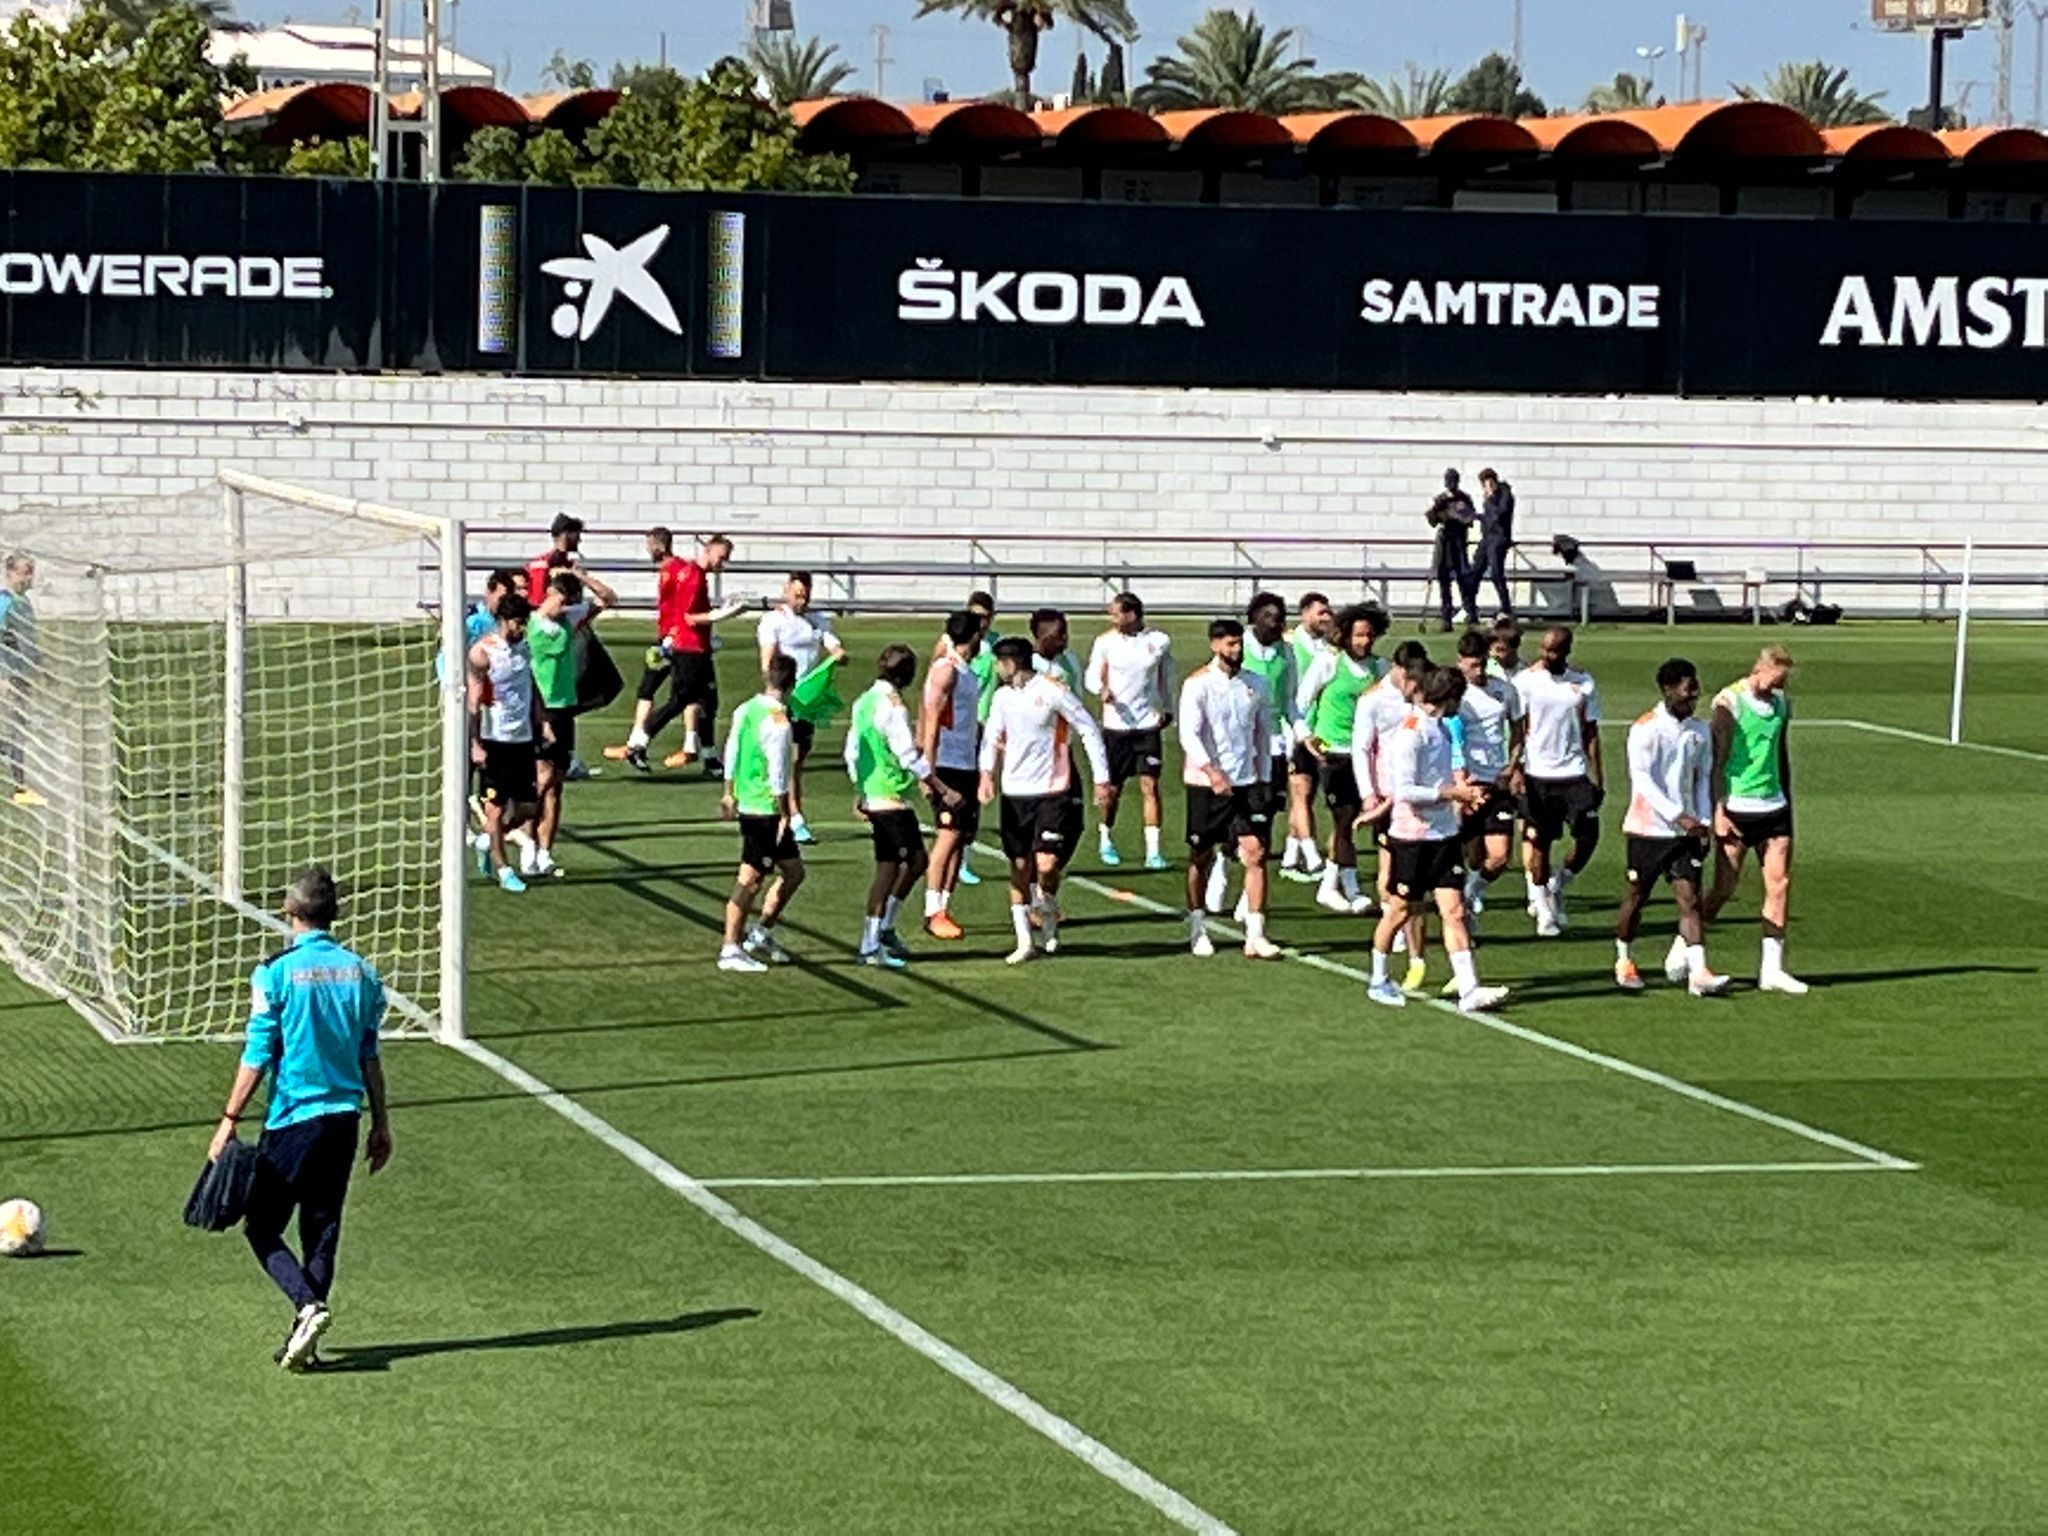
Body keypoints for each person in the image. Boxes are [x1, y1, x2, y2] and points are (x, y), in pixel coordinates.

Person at [206, 867, 390, 1372]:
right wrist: (381, 1123)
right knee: (322, 1229)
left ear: (289, 912)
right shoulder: (363, 973)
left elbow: (258, 1052)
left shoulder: (276, 972)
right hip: (344, 1120)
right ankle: (303, 1341)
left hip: (294, 1118)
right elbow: (369, 1055)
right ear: (334, 914)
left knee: (261, 1227)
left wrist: (228, 1119)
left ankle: (307, 1307)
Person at [1365, 667, 1508, 1014]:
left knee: (1454, 911)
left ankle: (1469, 989)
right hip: (1412, 838)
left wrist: (1463, 793)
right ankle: (1378, 979)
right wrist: (1452, 794)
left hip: (1443, 835)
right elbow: (1406, 790)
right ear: (1450, 697)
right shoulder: (1411, 734)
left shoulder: (1441, 728)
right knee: (1399, 910)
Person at [980, 636, 1112, 966]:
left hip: (1053, 789)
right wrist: (986, 775)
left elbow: (1088, 729)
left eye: (999, 662)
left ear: (1012, 663)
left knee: (1047, 864)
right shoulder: (1001, 698)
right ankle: (1025, 939)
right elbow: (992, 738)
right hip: (1015, 793)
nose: (997, 669)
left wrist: (1101, 778)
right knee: (1020, 865)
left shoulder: (1052, 691)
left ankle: (1047, 899)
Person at [1616, 659, 1731, 997]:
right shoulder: (1645, 729)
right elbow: (1643, 781)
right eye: (1686, 691)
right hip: (1647, 830)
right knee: (1638, 898)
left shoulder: (1698, 731)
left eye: (1695, 690)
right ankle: (1623, 957)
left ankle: (1699, 972)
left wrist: (1703, 821)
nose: (1692, 697)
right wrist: (1678, 815)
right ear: (1667, 689)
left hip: (1684, 835)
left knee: (1690, 899)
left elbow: (1703, 778)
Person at [1702, 645, 1807, 995]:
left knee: (1779, 885)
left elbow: (1781, 754)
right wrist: (1717, 809)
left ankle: (1772, 969)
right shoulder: (1728, 703)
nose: (1779, 686)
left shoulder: (1781, 705)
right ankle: (1687, 944)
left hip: (1773, 805)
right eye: (1776, 678)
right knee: (1724, 888)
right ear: (1761, 669)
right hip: (1737, 806)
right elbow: (1716, 760)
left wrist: (1788, 802)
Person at [846, 645, 956, 970]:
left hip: (877, 793)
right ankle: (872, 941)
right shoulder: (893, 707)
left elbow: (852, 750)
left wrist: (859, 789)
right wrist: (941, 788)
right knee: (889, 869)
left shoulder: (863, 701)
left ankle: (884, 929)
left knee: (916, 860)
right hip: (889, 796)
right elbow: (908, 755)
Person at [1178, 619, 1281, 961]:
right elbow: (1189, 735)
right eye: (1229, 645)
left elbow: (1263, 734)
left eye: (1239, 644)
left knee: (1255, 852)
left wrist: (1264, 777)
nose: (1235, 651)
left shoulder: (1256, 685)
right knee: (1201, 855)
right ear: (1215, 645)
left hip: (1246, 783)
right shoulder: (1198, 685)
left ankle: (1255, 934)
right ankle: (1197, 925)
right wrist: (1212, 771)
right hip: (1206, 785)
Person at [605, 530, 745, 773]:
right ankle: (639, 743)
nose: (723, 563)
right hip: (688, 647)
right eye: (721, 557)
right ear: (709, 550)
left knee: (707, 701)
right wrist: (722, 614)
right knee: (679, 699)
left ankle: (708, 757)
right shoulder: (693, 575)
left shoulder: (692, 573)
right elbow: (689, 617)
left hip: (695, 645)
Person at [1296, 602, 1389, 915]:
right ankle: (1349, 887)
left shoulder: (1380, 668)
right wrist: (1306, 736)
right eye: (1358, 635)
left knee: (1355, 819)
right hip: (1332, 752)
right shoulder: (1329, 661)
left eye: (1369, 635)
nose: (1363, 641)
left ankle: (1331, 884)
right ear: (1346, 635)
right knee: (1343, 818)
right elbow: (1302, 699)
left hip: (1364, 754)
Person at [1512, 625, 1603, 938]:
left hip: (1573, 773)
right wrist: (1516, 770)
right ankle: (1544, 910)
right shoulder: (1525, 682)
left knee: (1588, 836)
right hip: (1537, 774)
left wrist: (1597, 776)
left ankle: (1558, 883)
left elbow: (1591, 732)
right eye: (1544, 649)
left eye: (1554, 650)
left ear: (1567, 650)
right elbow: (1516, 730)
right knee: (1538, 842)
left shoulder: (1584, 683)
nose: (1547, 655)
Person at [718, 653, 805, 973]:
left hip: (749, 803)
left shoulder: (746, 709)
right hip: (765, 811)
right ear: (793, 683)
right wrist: (786, 814)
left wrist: (728, 792)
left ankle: (762, 931)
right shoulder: (779, 724)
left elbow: (732, 749)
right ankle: (730, 947)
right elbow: (780, 774)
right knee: (750, 880)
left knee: (794, 872)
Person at [527, 568, 615, 880]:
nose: (558, 605)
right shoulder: (532, 625)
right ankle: (527, 843)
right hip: (542, 708)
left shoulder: (570, 619)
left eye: (564, 600)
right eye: (555, 598)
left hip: (565, 708)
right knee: (543, 779)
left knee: (556, 785)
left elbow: (608, 598)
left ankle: (545, 852)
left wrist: (582, 576)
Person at [1356, 643, 1433, 987]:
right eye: (1410, 675)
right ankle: (1394, 927)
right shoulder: (1373, 699)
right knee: (1390, 870)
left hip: (1421, 798)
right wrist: (1368, 794)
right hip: (1389, 794)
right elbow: (1361, 747)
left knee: (1419, 880)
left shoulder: (1423, 696)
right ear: (1397, 669)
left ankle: (1412, 946)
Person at [1085, 593, 1175, 870]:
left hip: (1147, 725)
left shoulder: (1158, 641)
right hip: (1116, 726)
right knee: (1113, 789)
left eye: (1116, 614)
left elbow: (1166, 677)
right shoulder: (1105, 643)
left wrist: (1168, 708)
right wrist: (1101, 691)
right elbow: (1091, 676)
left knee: (1150, 785)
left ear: (1132, 614)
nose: (1112, 619)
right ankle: (1105, 836)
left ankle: (1153, 850)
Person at [757, 571, 847, 845]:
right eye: (797, 595)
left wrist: (839, 655)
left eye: (805, 595)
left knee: (798, 757)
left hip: (806, 701)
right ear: (786, 591)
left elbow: (835, 648)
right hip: (784, 698)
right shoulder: (773, 621)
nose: (801, 600)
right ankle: (793, 815)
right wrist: (777, 691)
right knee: (788, 757)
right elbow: (767, 661)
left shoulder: (817, 621)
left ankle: (786, 811)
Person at [467, 593, 548, 894]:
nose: (521, 629)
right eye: (517, 623)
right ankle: (504, 870)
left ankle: (489, 839)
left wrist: (543, 720)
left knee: (529, 808)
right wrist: (476, 743)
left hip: (523, 738)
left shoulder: (524, 649)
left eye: (524, 623)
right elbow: (474, 701)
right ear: (503, 621)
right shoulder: (482, 653)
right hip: (494, 740)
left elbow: (529, 686)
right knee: (496, 810)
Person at [1231, 592, 1300, 918]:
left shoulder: (1287, 653)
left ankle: (1249, 896)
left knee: (1266, 816)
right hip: (1239, 748)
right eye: (1270, 616)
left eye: (1280, 616)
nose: (1277, 623)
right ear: (1255, 618)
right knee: (1234, 815)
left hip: (1272, 747)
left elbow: (1290, 701)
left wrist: (1302, 737)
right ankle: (1222, 862)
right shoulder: (1239, 648)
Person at [918, 609, 984, 941]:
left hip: (967, 762)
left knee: (961, 837)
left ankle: (944, 905)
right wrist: (927, 772)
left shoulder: (966, 671)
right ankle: (932, 910)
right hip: (947, 763)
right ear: (974, 635)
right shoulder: (946, 671)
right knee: (947, 835)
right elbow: (930, 719)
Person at [1454, 629, 1522, 922]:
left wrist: (1512, 765)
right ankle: (1463, 905)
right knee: (1473, 855)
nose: (1479, 670)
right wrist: (1458, 779)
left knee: (1500, 856)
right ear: (1461, 662)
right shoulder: (1455, 694)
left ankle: (1471, 890)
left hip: (1497, 781)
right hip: (1467, 783)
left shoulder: (1504, 690)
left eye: (1483, 663)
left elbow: (1519, 729)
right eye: (1473, 664)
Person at [1281, 592, 1335, 881]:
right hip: (1297, 728)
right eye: (1320, 612)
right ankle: (1312, 856)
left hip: (1320, 729)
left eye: (1328, 612)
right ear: (1305, 614)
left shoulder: (1328, 647)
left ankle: (1291, 856)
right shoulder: (1290, 644)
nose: (1326, 617)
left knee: (1307, 794)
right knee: (1300, 792)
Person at [0, 552, 42, 807]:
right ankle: (20, 788)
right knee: (16, 730)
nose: (27, 578)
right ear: (10, 573)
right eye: (23, 572)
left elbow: (27, 640)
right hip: (9, 677)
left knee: (19, 730)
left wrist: (39, 668)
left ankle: (21, 785)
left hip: (22, 677)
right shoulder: (5, 602)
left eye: (30, 573)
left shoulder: (25, 602)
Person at [1427, 469, 1480, 631]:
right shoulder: (1440, 499)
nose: (1451, 483)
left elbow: (1470, 518)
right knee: (1444, 581)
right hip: (1444, 543)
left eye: (1453, 480)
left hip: (1458, 542)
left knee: (1463, 580)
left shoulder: (1464, 498)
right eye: (1448, 480)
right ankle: (1446, 617)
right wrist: (1436, 509)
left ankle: (1471, 614)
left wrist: (1460, 514)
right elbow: (1432, 520)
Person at [1476, 469, 1516, 619]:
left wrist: (1491, 499)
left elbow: (1500, 514)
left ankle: (1506, 608)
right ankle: (1470, 607)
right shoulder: (1488, 497)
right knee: (1475, 570)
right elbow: (1488, 517)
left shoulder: (1505, 494)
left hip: (1499, 539)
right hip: (1487, 538)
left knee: (1496, 574)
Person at [524, 513, 583, 606]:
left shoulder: (569, 564)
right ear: (566, 535)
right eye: (577, 535)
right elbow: (537, 600)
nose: (579, 540)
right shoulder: (542, 564)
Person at [1486, 616, 1525, 683]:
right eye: (1491, 649)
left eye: (1500, 650)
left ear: (1514, 649)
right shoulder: (1486, 670)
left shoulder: (1524, 673)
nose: (1494, 654)